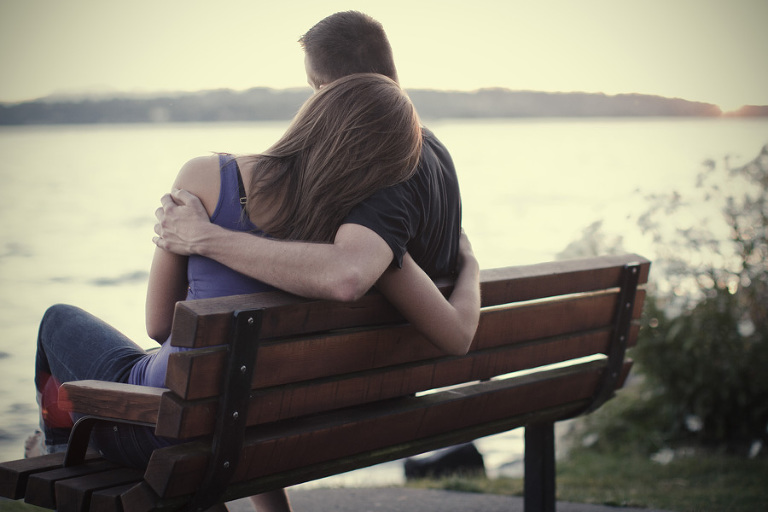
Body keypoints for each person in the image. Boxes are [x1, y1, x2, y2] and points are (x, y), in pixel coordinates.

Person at [33, 74, 478, 512]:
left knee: (57, 321)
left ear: (315, 115)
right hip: (262, 432)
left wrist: (204, 239)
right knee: (236, 377)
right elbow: (457, 334)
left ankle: (61, 457)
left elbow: (160, 325)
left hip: (161, 428)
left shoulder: (208, 179)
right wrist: (470, 263)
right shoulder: (357, 244)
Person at [155, 11, 479, 356]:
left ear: (325, 91)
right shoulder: (435, 151)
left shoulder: (381, 166)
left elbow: (349, 275)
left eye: (313, 88)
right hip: (393, 376)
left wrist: (205, 237)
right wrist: (470, 264)